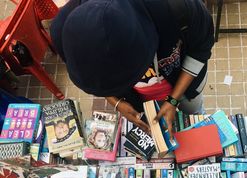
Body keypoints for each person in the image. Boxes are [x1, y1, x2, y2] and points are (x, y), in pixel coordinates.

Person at [50, 0, 214, 136]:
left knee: (195, 113)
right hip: (139, 98)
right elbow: (95, 79)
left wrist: (173, 100)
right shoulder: (62, 32)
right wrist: (116, 102)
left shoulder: (178, 6)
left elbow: (200, 49)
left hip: (185, 85)